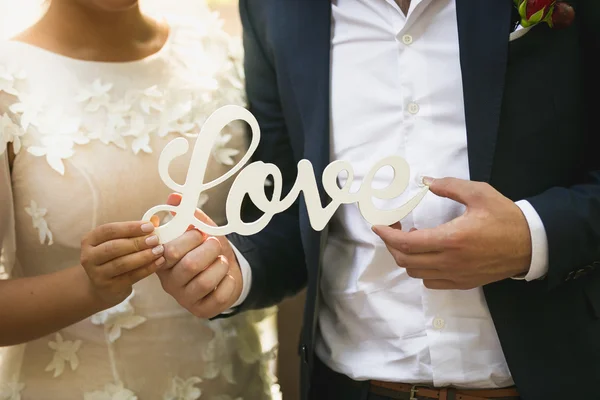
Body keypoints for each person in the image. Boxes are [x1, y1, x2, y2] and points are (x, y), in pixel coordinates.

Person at [159, 0, 600, 399]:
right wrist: (236, 268)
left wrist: (533, 236)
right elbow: (291, 200)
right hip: (350, 387)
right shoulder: (271, 7)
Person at [0, 0, 279, 399]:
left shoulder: (216, 47)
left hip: (233, 383)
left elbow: (279, 223)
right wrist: (87, 288)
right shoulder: (7, 83)